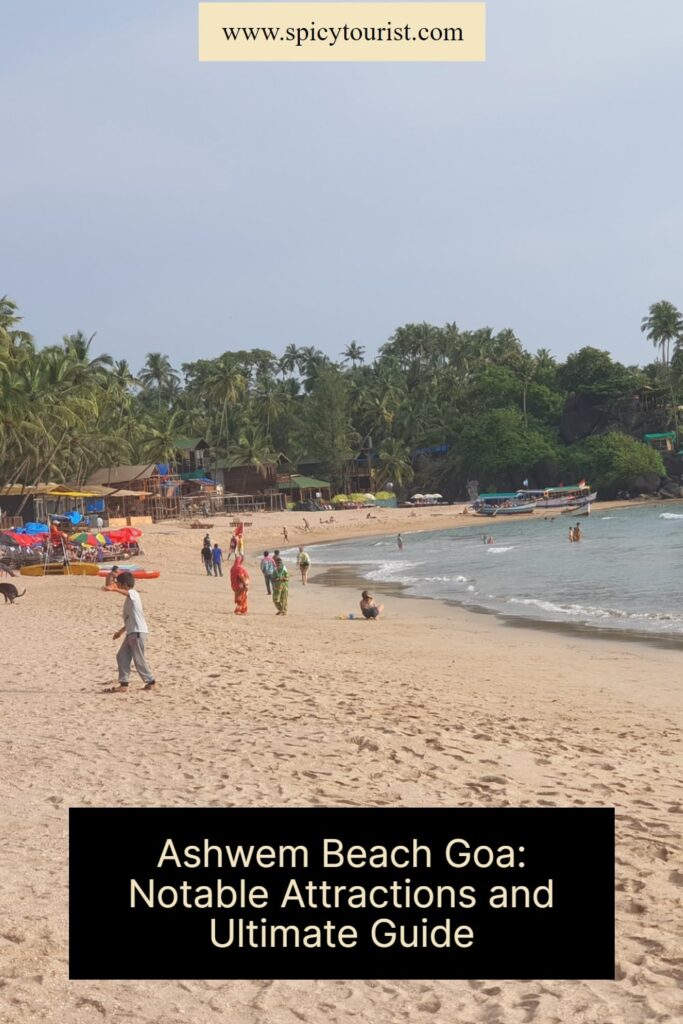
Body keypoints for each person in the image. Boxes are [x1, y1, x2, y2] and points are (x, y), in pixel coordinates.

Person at [107, 571, 156, 693]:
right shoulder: (129, 600)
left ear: (124, 584)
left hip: (138, 632)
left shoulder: (133, 593)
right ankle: (124, 684)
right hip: (132, 632)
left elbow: (127, 593)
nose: (117, 585)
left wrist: (113, 589)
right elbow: (130, 619)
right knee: (122, 656)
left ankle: (151, 682)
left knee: (138, 658)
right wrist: (120, 632)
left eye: (118, 583)